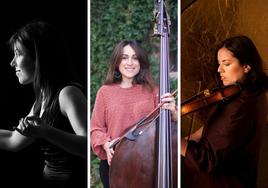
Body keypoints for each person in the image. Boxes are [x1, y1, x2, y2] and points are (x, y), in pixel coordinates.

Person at [0, 21, 87, 188]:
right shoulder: (42, 98)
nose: (12, 63)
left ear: (38, 56)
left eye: (18, 54)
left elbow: (87, 146)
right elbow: (13, 140)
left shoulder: (67, 93)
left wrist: (46, 132)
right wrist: (43, 132)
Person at [181, 35, 268, 188]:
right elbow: (222, 127)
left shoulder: (241, 106)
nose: (219, 69)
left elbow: (205, 160)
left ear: (246, 67)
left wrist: (172, 139)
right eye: (219, 63)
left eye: (226, 64)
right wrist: (194, 136)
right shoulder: (252, 93)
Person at [90, 39, 177, 188]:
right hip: (117, 165)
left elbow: (171, 128)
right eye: (124, 57)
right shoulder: (105, 92)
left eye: (135, 57)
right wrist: (106, 144)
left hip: (148, 165)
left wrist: (174, 111)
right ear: (117, 62)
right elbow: (95, 129)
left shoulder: (155, 91)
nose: (130, 62)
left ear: (141, 62)